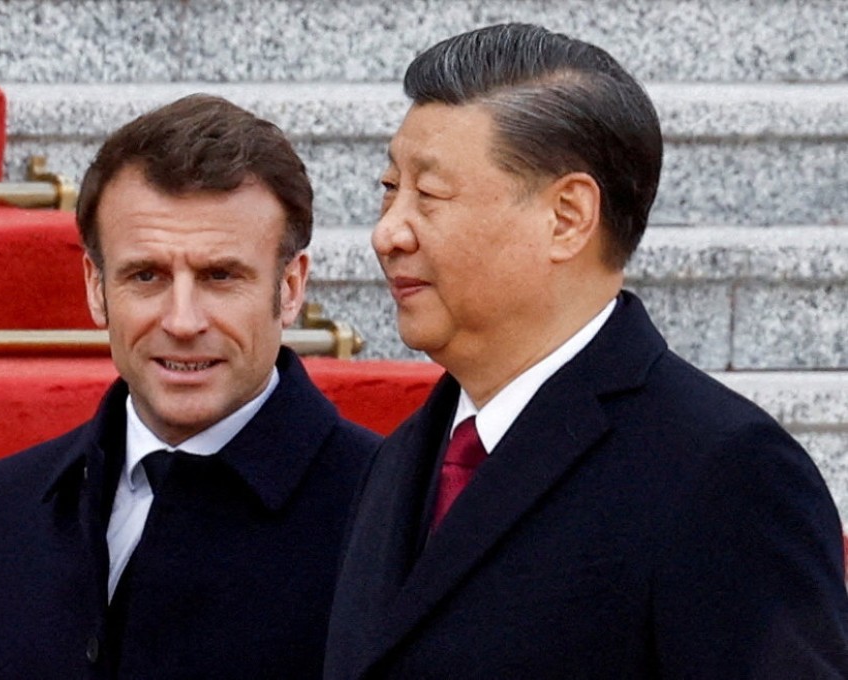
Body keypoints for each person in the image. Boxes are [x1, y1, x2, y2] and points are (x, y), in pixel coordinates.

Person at [325, 23, 848, 679]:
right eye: (388, 187)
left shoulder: (723, 472)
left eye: (428, 195)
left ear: (568, 216)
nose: (388, 233)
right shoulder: (404, 457)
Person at [0, 94, 380, 679]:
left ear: (290, 289)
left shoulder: (392, 515)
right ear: (96, 288)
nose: (182, 321)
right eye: (146, 276)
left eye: (220, 276)